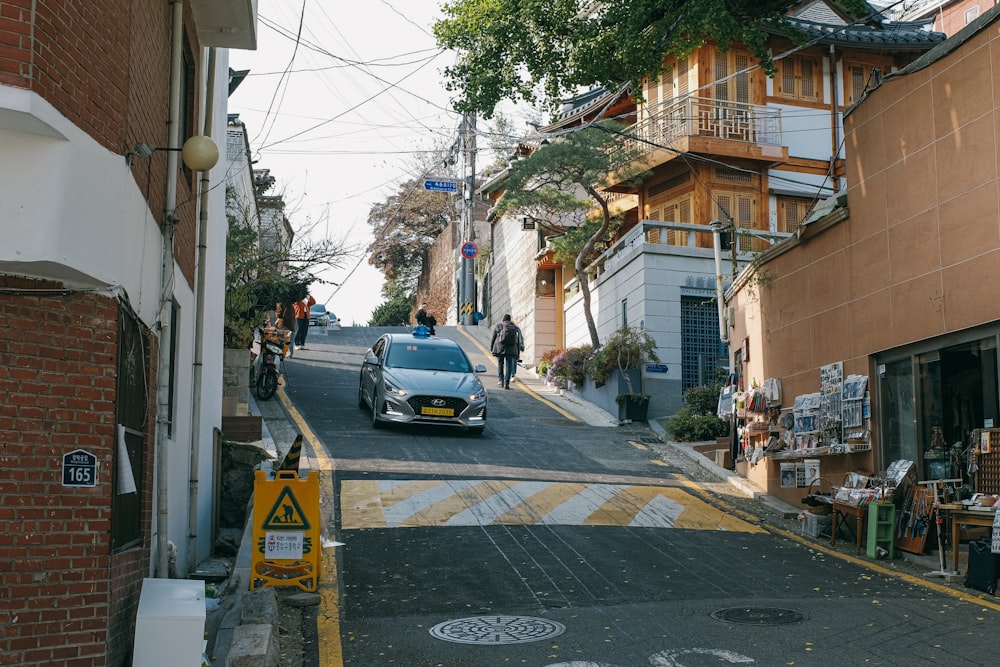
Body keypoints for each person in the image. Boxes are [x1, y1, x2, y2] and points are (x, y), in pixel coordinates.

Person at [490, 314, 523, 389]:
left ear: (503, 320)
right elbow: (517, 342)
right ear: (510, 320)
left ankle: (500, 380)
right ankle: (507, 383)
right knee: (509, 365)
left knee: (500, 364)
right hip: (511, 350)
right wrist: (517, 354)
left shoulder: (499, 326)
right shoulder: (514, 328)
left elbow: (493, 338)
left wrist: (492, 349)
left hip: (500, 349)